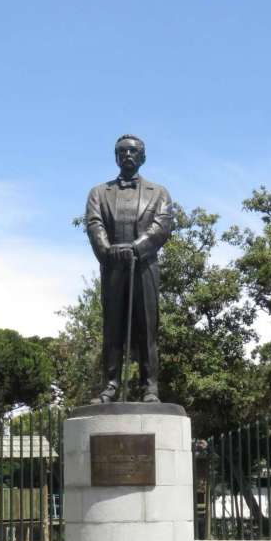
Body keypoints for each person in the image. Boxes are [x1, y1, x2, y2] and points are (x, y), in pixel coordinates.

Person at [85, 134, 172, 403]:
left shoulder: (159, 193)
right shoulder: (99, 193)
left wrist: (137, 246)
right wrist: (108, 250)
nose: (128, 156)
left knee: (146, 328)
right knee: (112, 329)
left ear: (143, 157)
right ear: (115, 157)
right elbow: (94, 224)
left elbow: (163, 224)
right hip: (113, 267)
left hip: (144, 266)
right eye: (122, 152)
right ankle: (110, 385)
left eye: (133, 152)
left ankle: (150, 387)